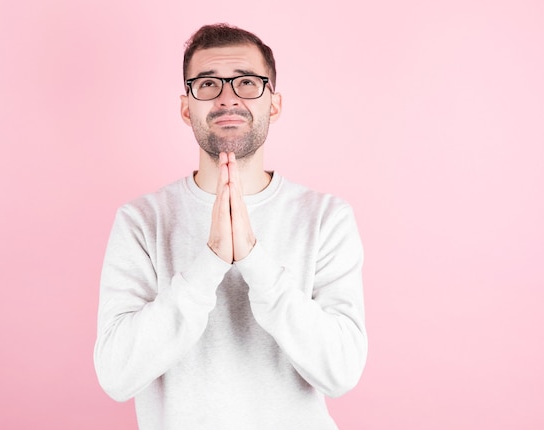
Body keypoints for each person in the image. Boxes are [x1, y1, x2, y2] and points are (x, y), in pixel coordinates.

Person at [94, 23, 367, 430]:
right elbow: (116, 377)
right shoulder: (141, 221)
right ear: (186, 108)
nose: (227, 98)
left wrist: (255, 261)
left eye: (246, 83)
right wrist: (210, 262)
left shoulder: (325, 217)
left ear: (273, 104)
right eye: (207, 84)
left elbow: (340, 372)